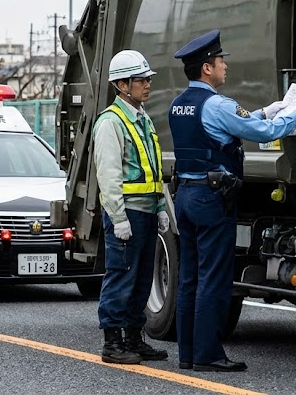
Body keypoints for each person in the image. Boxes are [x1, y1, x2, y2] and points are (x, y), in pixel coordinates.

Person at [168, 30, 296, 372]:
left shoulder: (179, 104)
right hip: (211, 199)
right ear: (207, 68)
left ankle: (188, 354)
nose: (224, 66)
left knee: (189, 276)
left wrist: (267, 109)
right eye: (220, 61)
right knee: (214, 277)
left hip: (186, 195)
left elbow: (232, 126)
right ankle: (208, 355)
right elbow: (262, 134)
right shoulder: (217, 104)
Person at [92, 49, 170, 365]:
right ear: (123, 85)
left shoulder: (143, 118)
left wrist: (161, 205)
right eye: (141, 80)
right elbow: (108, 174)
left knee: (140, 278)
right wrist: (117, 216)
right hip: (127, 214)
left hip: (147, 211)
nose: (147, 85)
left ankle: (134, 339)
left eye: (147, 79)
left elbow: (154, 167)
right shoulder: (111, 122)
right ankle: (112, 343)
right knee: (121, 275)